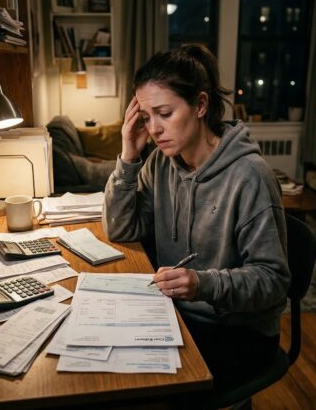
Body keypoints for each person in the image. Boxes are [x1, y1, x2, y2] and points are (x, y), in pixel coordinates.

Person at [103, 44, 290, 391]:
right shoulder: (159, 162)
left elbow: (274, 281)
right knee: (106, 366)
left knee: (134, 386)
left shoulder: (250, 176)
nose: (155, 129)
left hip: (237, 332)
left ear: (201, 105)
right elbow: (120, 227)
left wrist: (203, 284)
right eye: (146, 117)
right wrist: (129, 156)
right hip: (175, 315)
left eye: (164, 113)